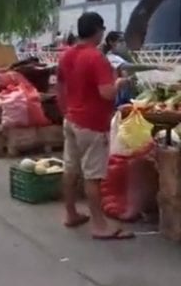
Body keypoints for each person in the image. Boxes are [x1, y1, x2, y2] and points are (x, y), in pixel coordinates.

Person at [57, 12, 133, 241]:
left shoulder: (67, 55)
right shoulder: (96, 57)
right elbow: (106, 93)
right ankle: (99, 225)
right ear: (98, 31)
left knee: (70, 169)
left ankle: (71, 213)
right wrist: (120, 82)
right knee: (93, 176)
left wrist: (65, 111)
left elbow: (60, 86)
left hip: (71, 119)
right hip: (92, 124)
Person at [101, 31, 171, 107]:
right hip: (115, 97)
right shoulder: (110, 57)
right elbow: (130, 67)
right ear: (111, 42)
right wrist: (156, 66)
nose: (123, 44)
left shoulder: (121, 57)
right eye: (120, 41)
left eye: (124, 41)